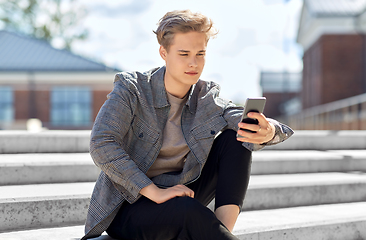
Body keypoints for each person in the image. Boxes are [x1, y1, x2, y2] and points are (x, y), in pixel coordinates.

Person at [81, 9, 293, 240]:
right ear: (164, 52)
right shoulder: (132, 90)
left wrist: (268, 130)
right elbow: (102, 144)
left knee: (236, 138)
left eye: (200, 53)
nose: (194, 63)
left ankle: (218, 233)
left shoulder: (206, 96)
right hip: (130, 205)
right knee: (187, 211)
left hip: (183, 193)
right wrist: (155, 192)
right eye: (184, 54)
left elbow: (239, 116)